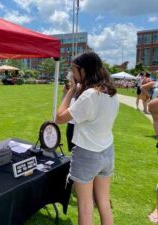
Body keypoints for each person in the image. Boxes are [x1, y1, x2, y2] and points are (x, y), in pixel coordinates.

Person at [56, 52, 119, 225]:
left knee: (85, 206)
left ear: (83, 71)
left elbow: (59, 117)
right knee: (104, 203)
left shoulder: (90, 95)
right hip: (107, 152)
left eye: (74, 70)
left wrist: (70, 92)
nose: (72, 75)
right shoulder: (112, 93)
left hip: (87, 154)